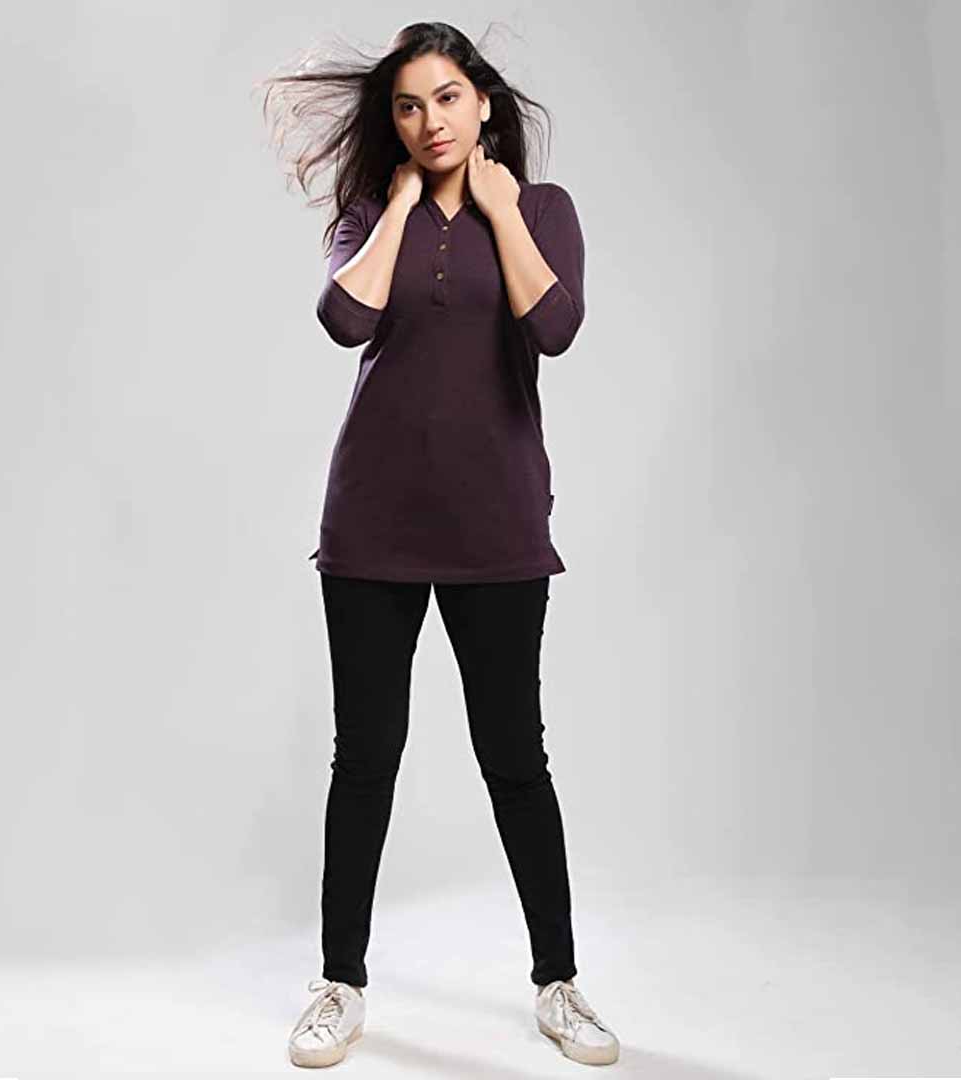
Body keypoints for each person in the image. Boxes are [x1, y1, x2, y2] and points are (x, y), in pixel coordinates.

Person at [259, 20, 619, 1069]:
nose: (430, 121)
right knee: (365, 758)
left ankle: (559, 983)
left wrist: (501, 210)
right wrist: (402, 206)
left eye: (448, 98)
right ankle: (339, 984)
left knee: (514, 756)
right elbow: (345, 320)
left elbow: (553, 327)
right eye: (410, 106)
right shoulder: (368, 214)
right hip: (372, 522)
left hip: (497, 522)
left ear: (483, 103)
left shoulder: (543, 210)